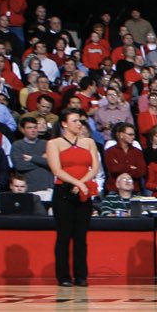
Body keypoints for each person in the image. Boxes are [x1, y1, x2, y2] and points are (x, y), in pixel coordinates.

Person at [48, 110, 100, 287]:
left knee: (81, 236)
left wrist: (82, 184)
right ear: (64, 123)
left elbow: (95, 167)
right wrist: (77, 183)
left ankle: (81, 275)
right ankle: (63, 276)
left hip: (83, 192)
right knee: (64, 235)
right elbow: (57, 170)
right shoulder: (54, 143)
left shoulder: (89, 142)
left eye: (81, 121)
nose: (79, 124)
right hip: (63, 192)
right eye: (75, 121)